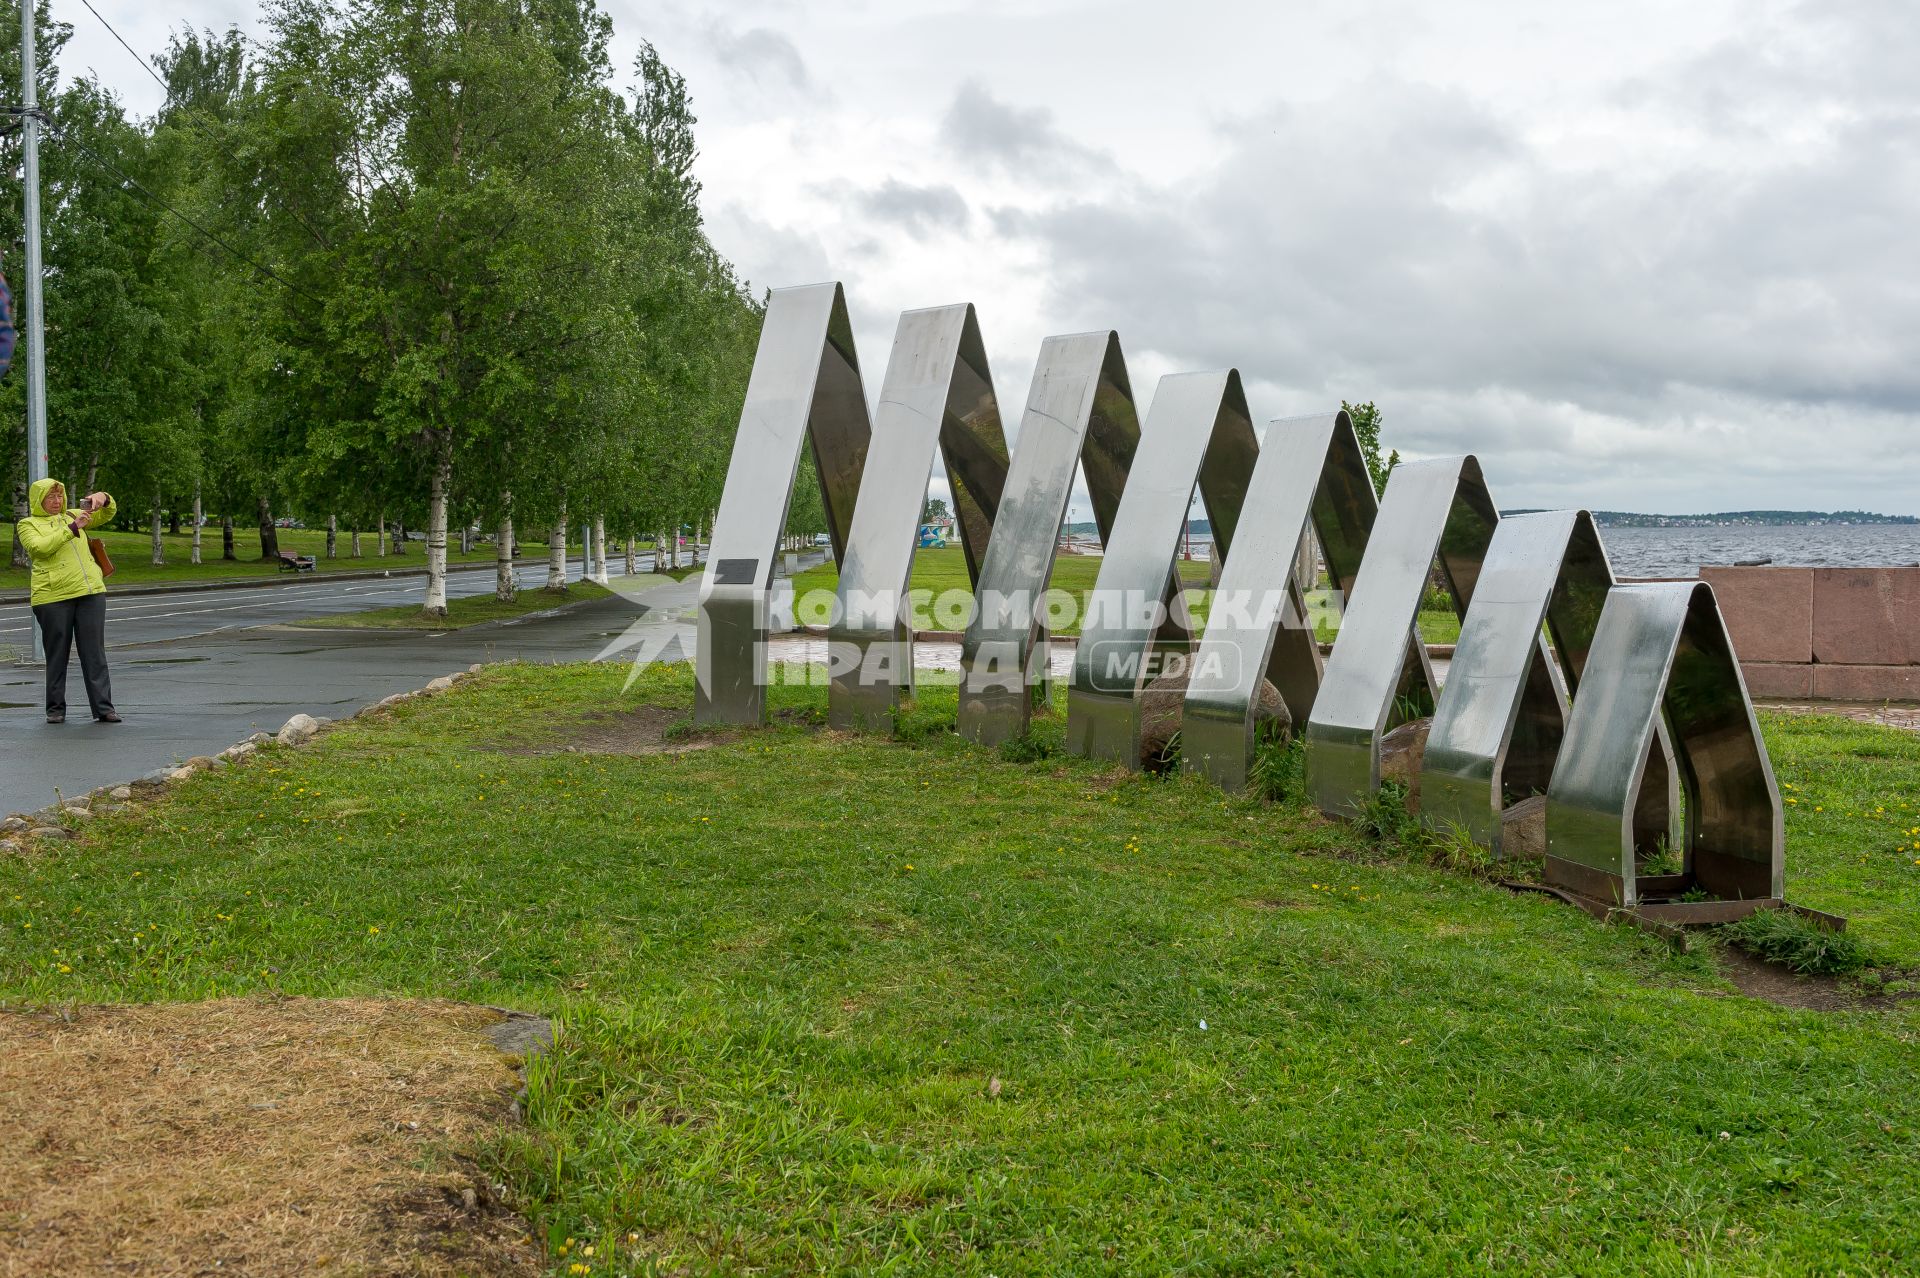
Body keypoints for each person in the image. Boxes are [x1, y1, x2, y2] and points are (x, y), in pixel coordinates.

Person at [18, 478, 120, 724]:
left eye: (59, 496)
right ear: (38, 501)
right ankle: (55, 709)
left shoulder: (73, 514)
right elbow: (40, 548)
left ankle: (104, 708)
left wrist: (103, 497)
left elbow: (107, 513)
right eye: (50, 497)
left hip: (90, 592)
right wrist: (72, 528)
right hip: (52, 596)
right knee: (57, 654)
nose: (57, 501)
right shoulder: (27, 524)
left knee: (94, 652)